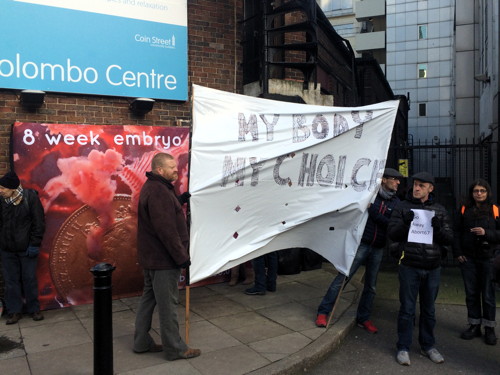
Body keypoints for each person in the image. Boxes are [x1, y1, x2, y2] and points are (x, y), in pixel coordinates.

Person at [315, 167, 403, 332]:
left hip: (377, 248)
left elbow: (391, 224)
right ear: (384, 179)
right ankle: (323, 311)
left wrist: (374, 212)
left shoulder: (396, 202)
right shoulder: (369, 194)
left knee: (371, 286)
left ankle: (364, 318)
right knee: (342, 278)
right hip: (361, 244)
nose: (398, 182)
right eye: (395, 179)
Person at [133, 153, 201, 360]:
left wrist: (178, 201)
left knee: (148, 299)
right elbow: (166, 230)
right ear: (159, 170)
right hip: (163, 260)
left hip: (153, 258)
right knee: (168, 304)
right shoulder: (158, 191)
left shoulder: (157, 188)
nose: (176, 170)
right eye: (172, 167)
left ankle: (141, 342)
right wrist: (182, 257)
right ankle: (175, 349)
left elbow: (162, 215)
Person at [388, 171, 453, 366]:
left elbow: (449, 239)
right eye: (415, 184)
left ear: (430, 189)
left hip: (432, 267)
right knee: (407, 309)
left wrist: (439, 229)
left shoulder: (440, 210)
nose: (416, 188)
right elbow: (392, 233)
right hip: (409, 266)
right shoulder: (402, 207)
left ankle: (428, 346)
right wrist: (406, 223)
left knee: (429, 310)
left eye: (421, 185)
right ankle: (403, 347)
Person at [453, 179, 498, 345]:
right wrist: (458, 253)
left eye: (482, 191)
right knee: (471, 293)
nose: (479, 194)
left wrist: (486, 233)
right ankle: (474, 325)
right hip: (468, 258)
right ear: (472, 193)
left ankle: (489, 328)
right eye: (476, 191)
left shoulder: (495, 210)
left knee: (488, 294)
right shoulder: (464, 210)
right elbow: (456, 232)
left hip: (488, 258)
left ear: (487, 193)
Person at [0, 171, 45, 324]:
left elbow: (38, 223)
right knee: (10, 281)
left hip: (26, 248)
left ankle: (34, 309)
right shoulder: (1, 201)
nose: (0, 190)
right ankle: (14, 311)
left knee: (29, 279)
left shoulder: (30, 197)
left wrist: (34, 244)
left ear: (12, 188)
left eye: (3, 188)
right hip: (7, 249)